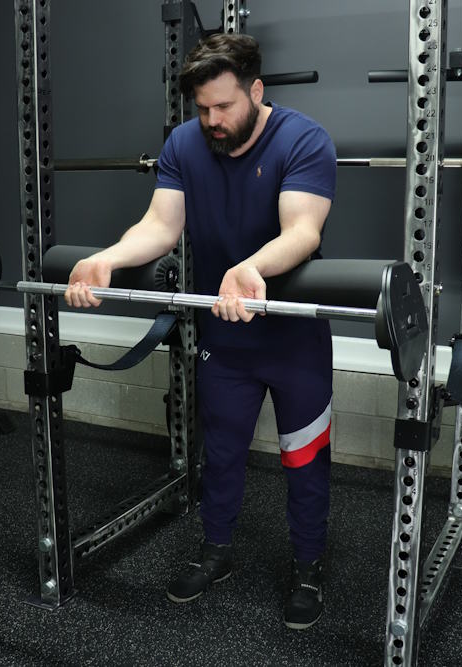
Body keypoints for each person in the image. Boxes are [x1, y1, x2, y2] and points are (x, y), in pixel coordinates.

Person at [63, 33, 336, 631]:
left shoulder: (304, 138)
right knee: (222, 452)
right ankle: (216, 553)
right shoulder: (185, 144)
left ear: (256, 91)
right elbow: (161, 224)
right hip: (227, 335)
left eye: (225, 107)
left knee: (305, 458)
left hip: (292, 338)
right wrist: (110, 257)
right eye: (203, 109)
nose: (212, 121)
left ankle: (309, 565)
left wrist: (251, 268)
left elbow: (303, 231)